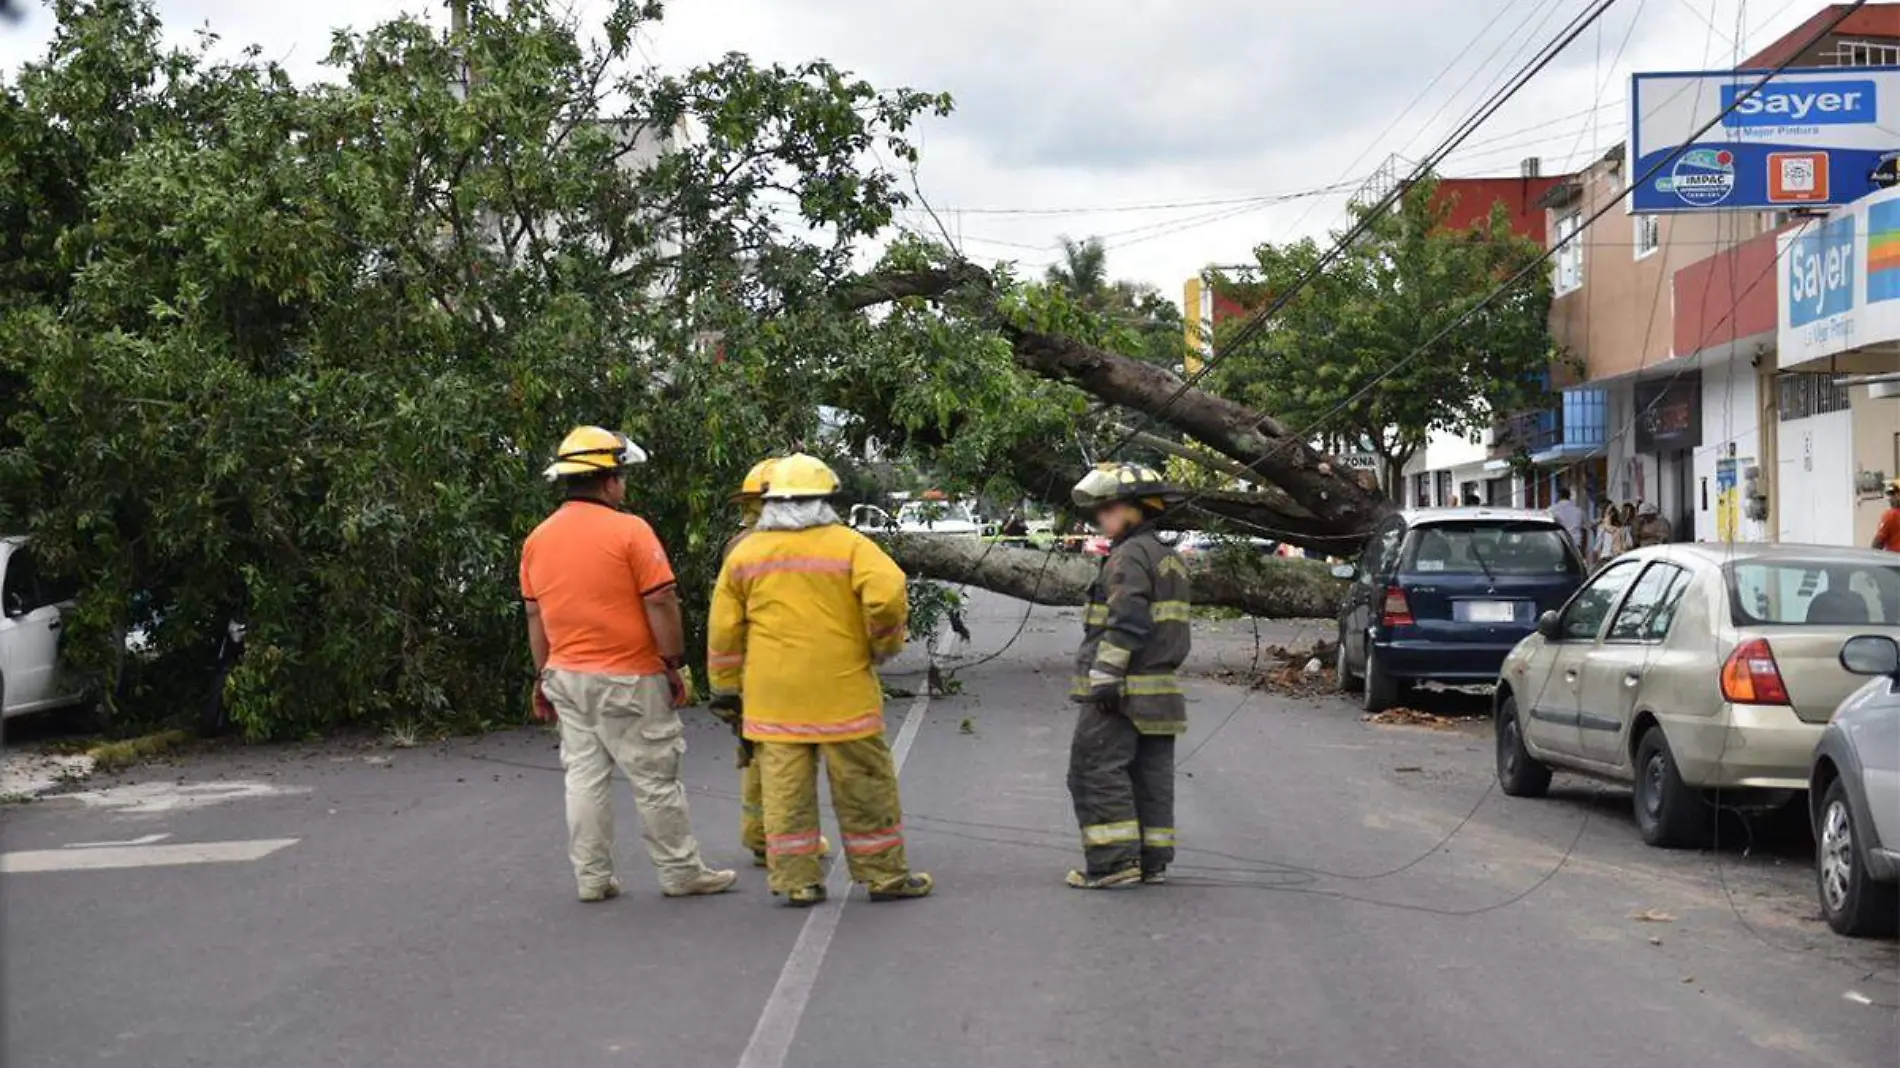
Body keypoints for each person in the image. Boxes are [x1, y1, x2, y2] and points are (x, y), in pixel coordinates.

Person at [520, 426, 737, 902]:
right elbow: (661, 601)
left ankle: (592, 879)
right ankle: (680, 872)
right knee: (655, 776)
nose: (625, 485)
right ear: (608, 480)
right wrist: (674, 664)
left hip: (566, 676)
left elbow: (535, 615)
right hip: (629, 677)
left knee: (583, 777)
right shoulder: (630, 530)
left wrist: (542, 676)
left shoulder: (537, 539)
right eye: (621, 475)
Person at [707, 453, 933, 907]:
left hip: (774, 699)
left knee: (786, 793)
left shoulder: (745, 554)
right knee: (865, 785)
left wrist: (726, 689)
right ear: (826, 500)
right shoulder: (850, 546)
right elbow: (888, 595)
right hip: (843, 693)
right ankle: (884, 876)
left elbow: (723, 630)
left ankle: (798, 881)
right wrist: (883, 645)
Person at [1065, 461, 1192, 890]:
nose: (1101, 518)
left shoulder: (1129, 555)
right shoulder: (1165, 556)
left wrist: (1104, 675)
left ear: (1136, 509)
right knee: (1149, 777)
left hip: (1123, 691)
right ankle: (1150, 859)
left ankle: (1113, 863)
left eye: (1108, 508)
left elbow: (1127, 622)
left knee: (1095, 770)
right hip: (1159, 693)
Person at [714, 458, 832, 869]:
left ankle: (760, 835)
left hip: (749, 668)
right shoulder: (774, 546)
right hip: (776, 666)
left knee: (756, 754)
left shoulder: (738, 544)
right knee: (789, 762)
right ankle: (788, 842)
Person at [1592, 502, 1633, 567]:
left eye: (1607, 514)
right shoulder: (1602, 529)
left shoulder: (1623, 529)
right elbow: (1598, 546)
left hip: (1615, 558)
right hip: (1607, 559)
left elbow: (1629, 544)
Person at [1549, 487, 1586, 552]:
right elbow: (1584, 530)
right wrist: (1583, 550)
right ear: (1569, 497)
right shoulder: (1578, 511)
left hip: (1558, 542)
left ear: (1559, 496)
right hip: (1575, 543)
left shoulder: (1551, 510)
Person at [1872, 478, 1900, 553]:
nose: (1890, 499)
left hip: (1895, 561)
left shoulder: (1890, 515)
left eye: (1893, 495)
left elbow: (1878, 543)